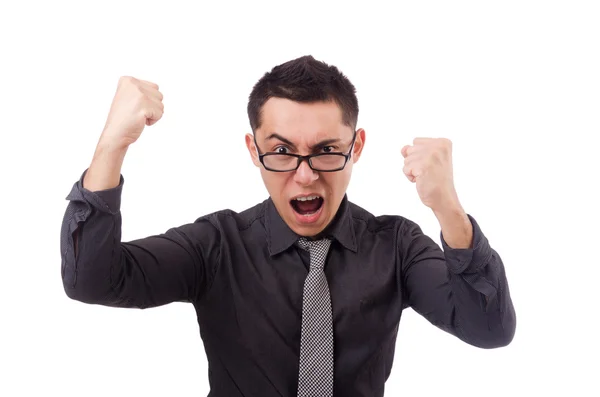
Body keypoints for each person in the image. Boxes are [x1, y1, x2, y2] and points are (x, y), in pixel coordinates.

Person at [60, 55, 516, 397]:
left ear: (356, 146)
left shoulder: (397, 246)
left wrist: (448, 210)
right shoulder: (216, 245)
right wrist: (111, 146)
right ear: (253, 149)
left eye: (325, 149)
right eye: (281, 151)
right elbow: (91, 280)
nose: (305, 174)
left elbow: (489, 330)